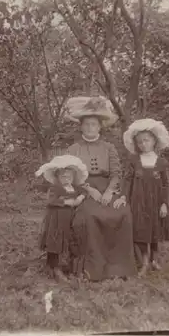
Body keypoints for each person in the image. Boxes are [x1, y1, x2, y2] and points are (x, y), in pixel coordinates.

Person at [65, 96, 138, 282]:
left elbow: (116, 173)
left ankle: (120, 267)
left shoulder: (109, 148)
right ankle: (93, 269)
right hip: (84, 189)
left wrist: (108, 191)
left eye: (94, 125)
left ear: (100, 127)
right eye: (87, 124)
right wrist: (90, 190)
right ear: (81, 126)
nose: (90, 128)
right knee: (90, 216)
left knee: (122, 213)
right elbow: (72, 176)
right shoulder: (74, 149)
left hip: (108, 187)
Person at [114, 118, 169, 277]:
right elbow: (127, 180)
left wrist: (164, 204)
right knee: (140, 229)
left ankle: (154, 258)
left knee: (155, 228)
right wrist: (123, 197)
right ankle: (144, 260)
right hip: (138, 201)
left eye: (146, 140)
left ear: (154, 141)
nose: (143, 144)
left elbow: (165, 185)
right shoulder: (134, 160)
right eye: (139, 142)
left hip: (155, 202)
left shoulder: (161, 162)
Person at [35, 155, 88, 281]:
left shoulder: (75, 188)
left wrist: (81, 197)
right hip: (56, 219)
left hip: (69, 219)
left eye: (69, 176)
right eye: (63, 176)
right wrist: (65, 202)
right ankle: (54, 267)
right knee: (55, 242)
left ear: (73, 177)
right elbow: (51, 200)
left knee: (70, 242)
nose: (66, 179)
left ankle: (70, 268)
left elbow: (84, 192)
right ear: (57, 177)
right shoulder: (56, 188)